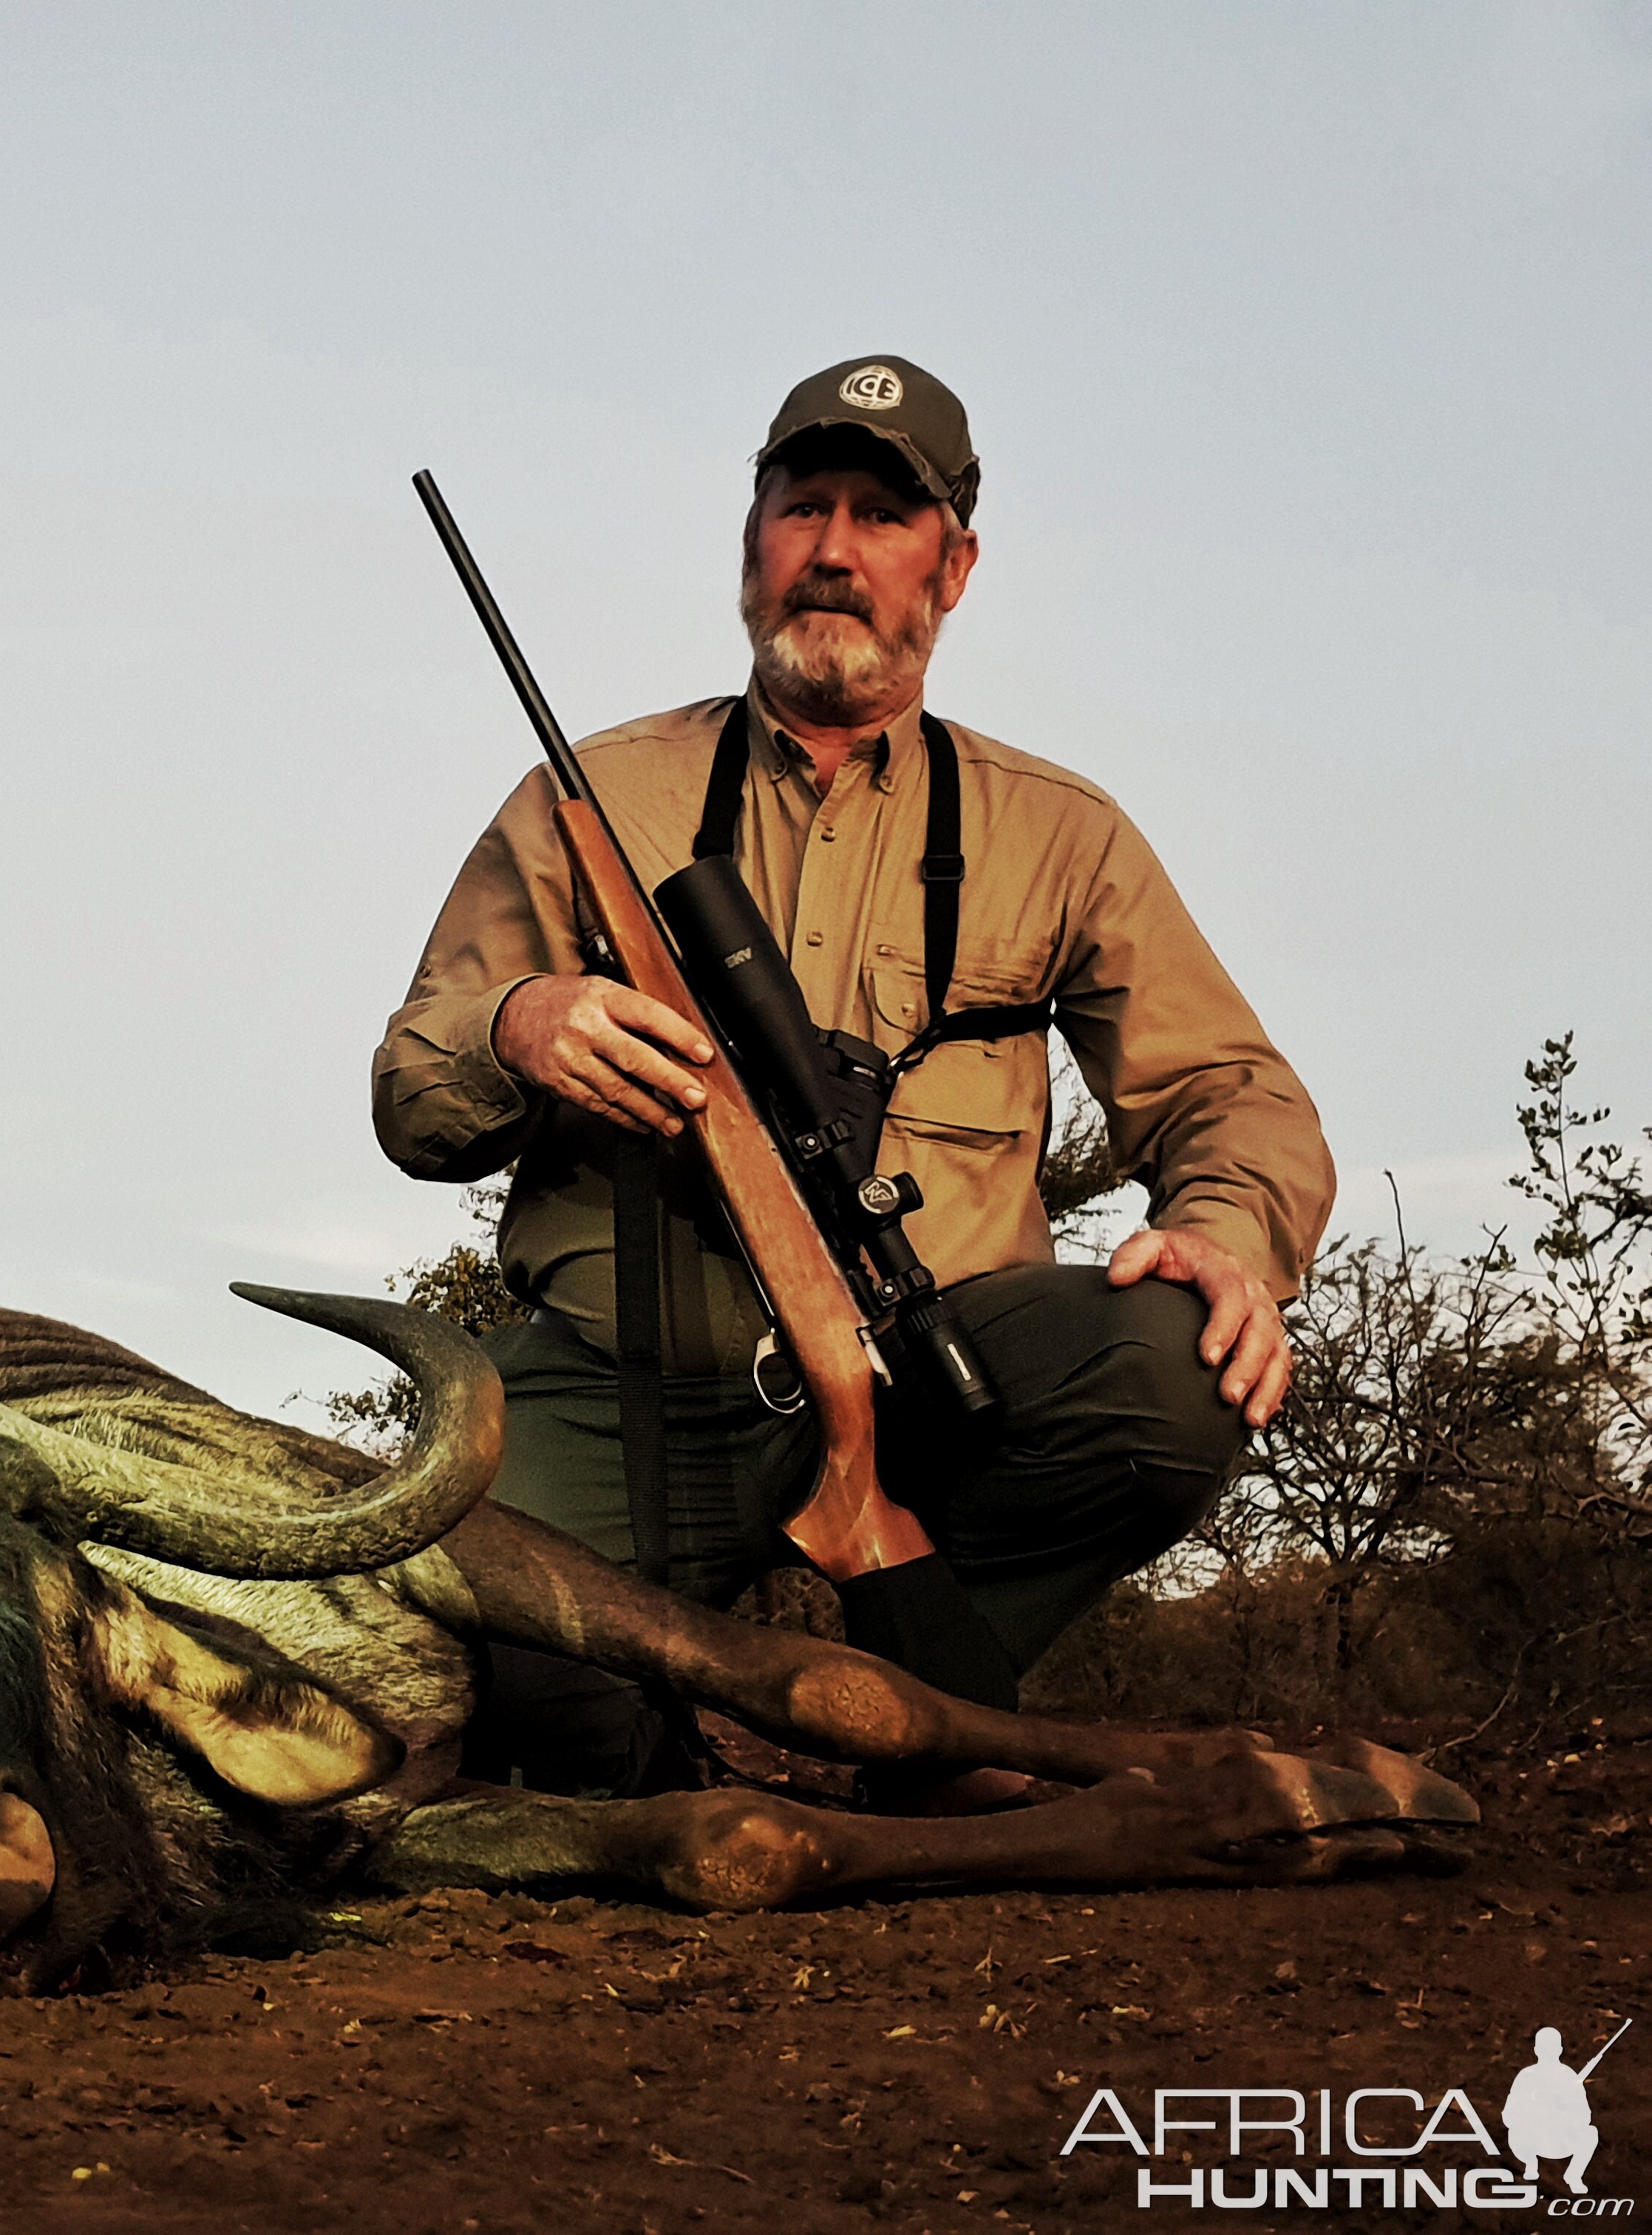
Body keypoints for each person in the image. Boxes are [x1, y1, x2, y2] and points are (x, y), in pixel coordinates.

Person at [371, 356, 1333, 1797]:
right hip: (620, 1385)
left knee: (1176, 1366)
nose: (833, 549)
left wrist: (1231, 1236)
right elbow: (410, 1086)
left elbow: (1234, 1093)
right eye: (799, 505)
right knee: (479, 1639)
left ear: (954, 568)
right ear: (751, 543)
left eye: (883, 515)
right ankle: (658, 1720)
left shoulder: (1061, 832)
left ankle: (908, 1715)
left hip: (933, 1372)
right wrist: (521, 1024)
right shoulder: (595, 797)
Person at [1502, 2027, 1600, 2194]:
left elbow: (1585, 2117)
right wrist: (1534, 2110)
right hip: (1532, 2141)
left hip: (1560, 2142)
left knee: (1591, 2133)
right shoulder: (1526, 2076)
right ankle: (1530, 2163)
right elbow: (1509, 2116)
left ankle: (1574, 2176)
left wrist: (1561, 2110)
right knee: (1514, 2132)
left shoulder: (1569, 2077)